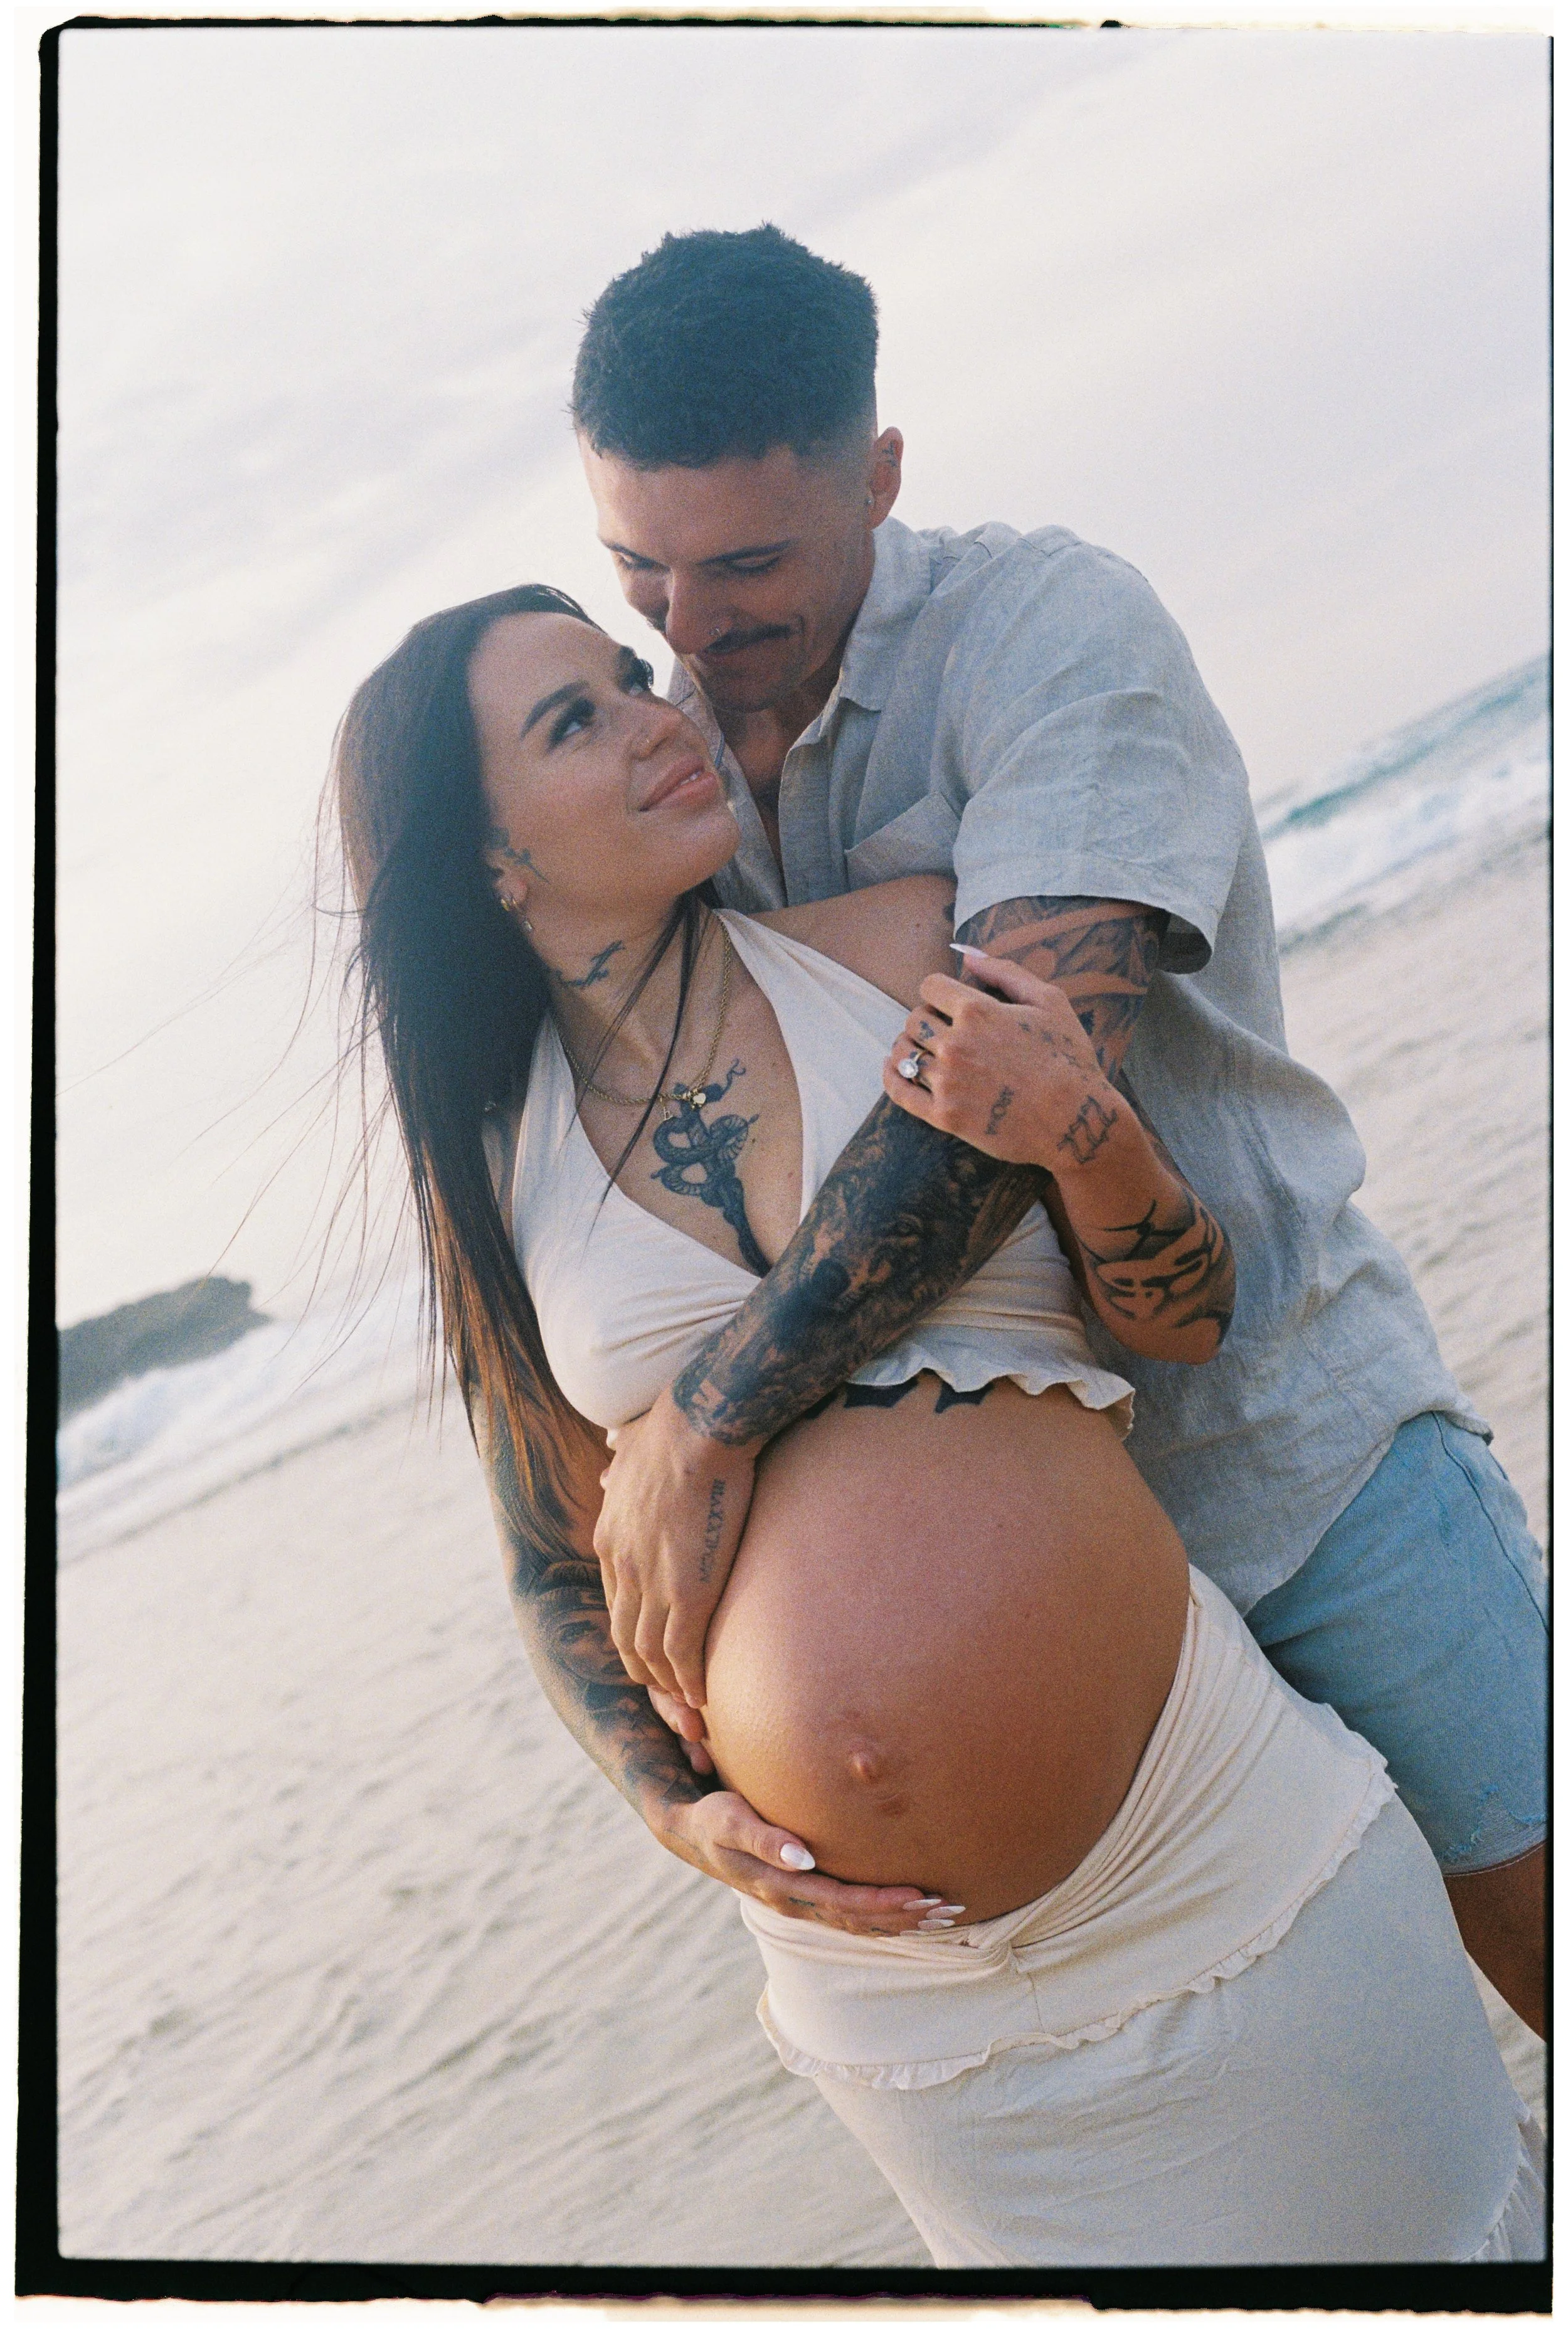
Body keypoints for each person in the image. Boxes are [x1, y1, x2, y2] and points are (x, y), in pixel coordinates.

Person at [331, 585, 1541, 2263]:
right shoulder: (494, 1172)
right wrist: (671, 1810)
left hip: (1206, 1858)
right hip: (906, 2015)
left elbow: (1182, 1318)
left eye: (626, 677)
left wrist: (1096, 1145)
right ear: (488, 867)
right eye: (575, 720)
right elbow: (551, 1563)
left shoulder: (902, 947)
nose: (651, 710)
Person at [570, 225, 1547, 2035]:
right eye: (637, 567)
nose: (687, 633)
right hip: (1074, 1618)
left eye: (749, 565)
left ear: (877, 476)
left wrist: (714, 1422)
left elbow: (990, 1110)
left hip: (1299, 1474)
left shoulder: (1048, 630)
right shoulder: (654, 752)